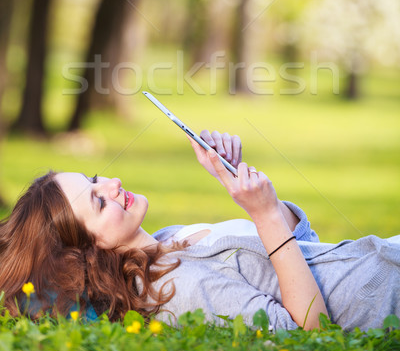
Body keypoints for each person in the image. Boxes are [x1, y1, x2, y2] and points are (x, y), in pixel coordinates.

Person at [0, 131, 398, 331]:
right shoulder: (177, 289)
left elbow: (306, 249)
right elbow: (310, 332)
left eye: (95, 178)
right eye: (98, 200)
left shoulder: (168, 238)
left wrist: (247, 189)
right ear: (88, 250)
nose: (113, 183)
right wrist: (265, 218)